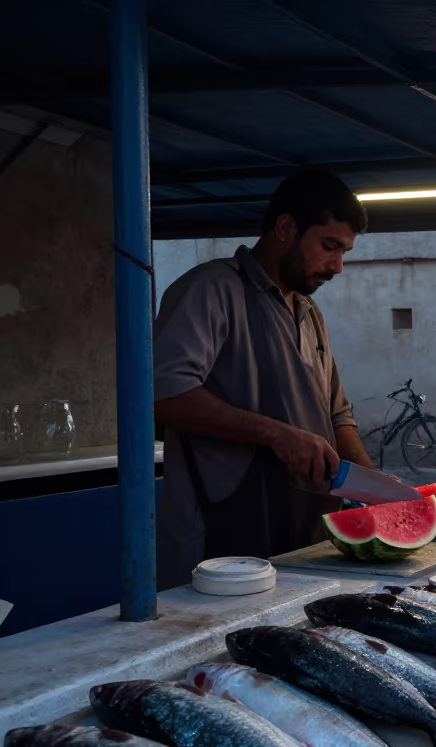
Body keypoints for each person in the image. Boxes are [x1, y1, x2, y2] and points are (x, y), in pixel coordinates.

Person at [153, 168, 377, 587]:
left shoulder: (310, 313)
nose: (338, 266)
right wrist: (278, 434)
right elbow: (166, 395)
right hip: (219, 541)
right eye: (329, 247)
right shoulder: (210, 290)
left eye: (344, 251)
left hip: (304, 535)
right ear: (286, 227)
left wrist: (379, 488)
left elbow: (338, 416)